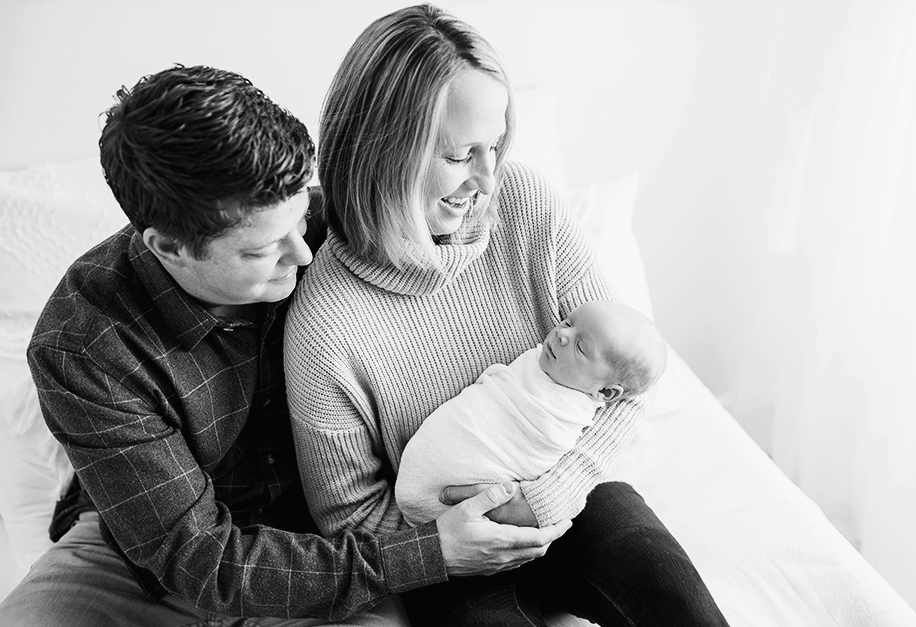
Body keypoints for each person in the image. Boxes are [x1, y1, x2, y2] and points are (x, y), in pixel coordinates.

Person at [0, 64, 569, 627]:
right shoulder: (84, 344)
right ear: (169, 247)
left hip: (323, 548)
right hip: (141, 556)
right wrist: (428, 552)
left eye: (301, 218)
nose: (302, 255)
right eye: (262, 250)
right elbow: (195, 558)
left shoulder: (337, 224)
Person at [284, 4, 730, 626]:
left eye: (495, 145)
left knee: (669, 587)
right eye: (461, 154)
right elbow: (350, 522)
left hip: (575, 502)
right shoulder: (324, 327)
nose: (489, 179)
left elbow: (632, 377)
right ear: (382, 151)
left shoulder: (526, 205)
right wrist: (453, 543)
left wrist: (552, 493)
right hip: (451, 558)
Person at [395, 300, 667, 526]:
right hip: (434, 490)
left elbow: (642, 389)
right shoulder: (543, 363)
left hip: (504, 504)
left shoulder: (566, 417)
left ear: (606, 393)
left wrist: (542, 503)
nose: (562, 334)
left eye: (581, 346)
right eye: (567, 322)